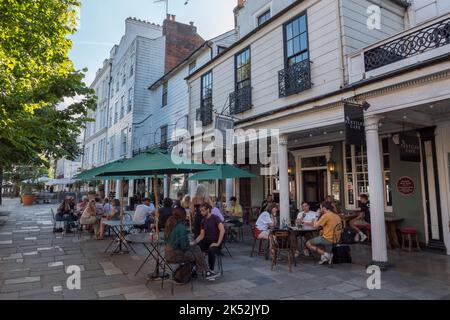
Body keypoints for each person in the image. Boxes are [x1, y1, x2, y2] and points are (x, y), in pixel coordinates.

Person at [164, 207, 208, 277]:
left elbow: (166, 239)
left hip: (167, 253)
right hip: (175, 255)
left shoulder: (169, 224)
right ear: (183, 215)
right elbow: (184, 246)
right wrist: (188, 243)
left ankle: (203, 270)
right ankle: (204, 270)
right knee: (196, 255)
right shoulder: (181, 227)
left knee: (196, 248)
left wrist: (190, 244)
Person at [191, 203, 225, 281]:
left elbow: (222, 230)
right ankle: (195, 268)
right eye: (200, 211)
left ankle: (211, 271)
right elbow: (202, 235)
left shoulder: (215, 218)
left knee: (211, 249)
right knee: (195, 247)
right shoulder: (203, 221)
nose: (201, 213)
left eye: (203, 211)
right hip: (207, 241)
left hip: (216, 241)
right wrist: (194, 242)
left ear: (208, 210)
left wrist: (218, 243)